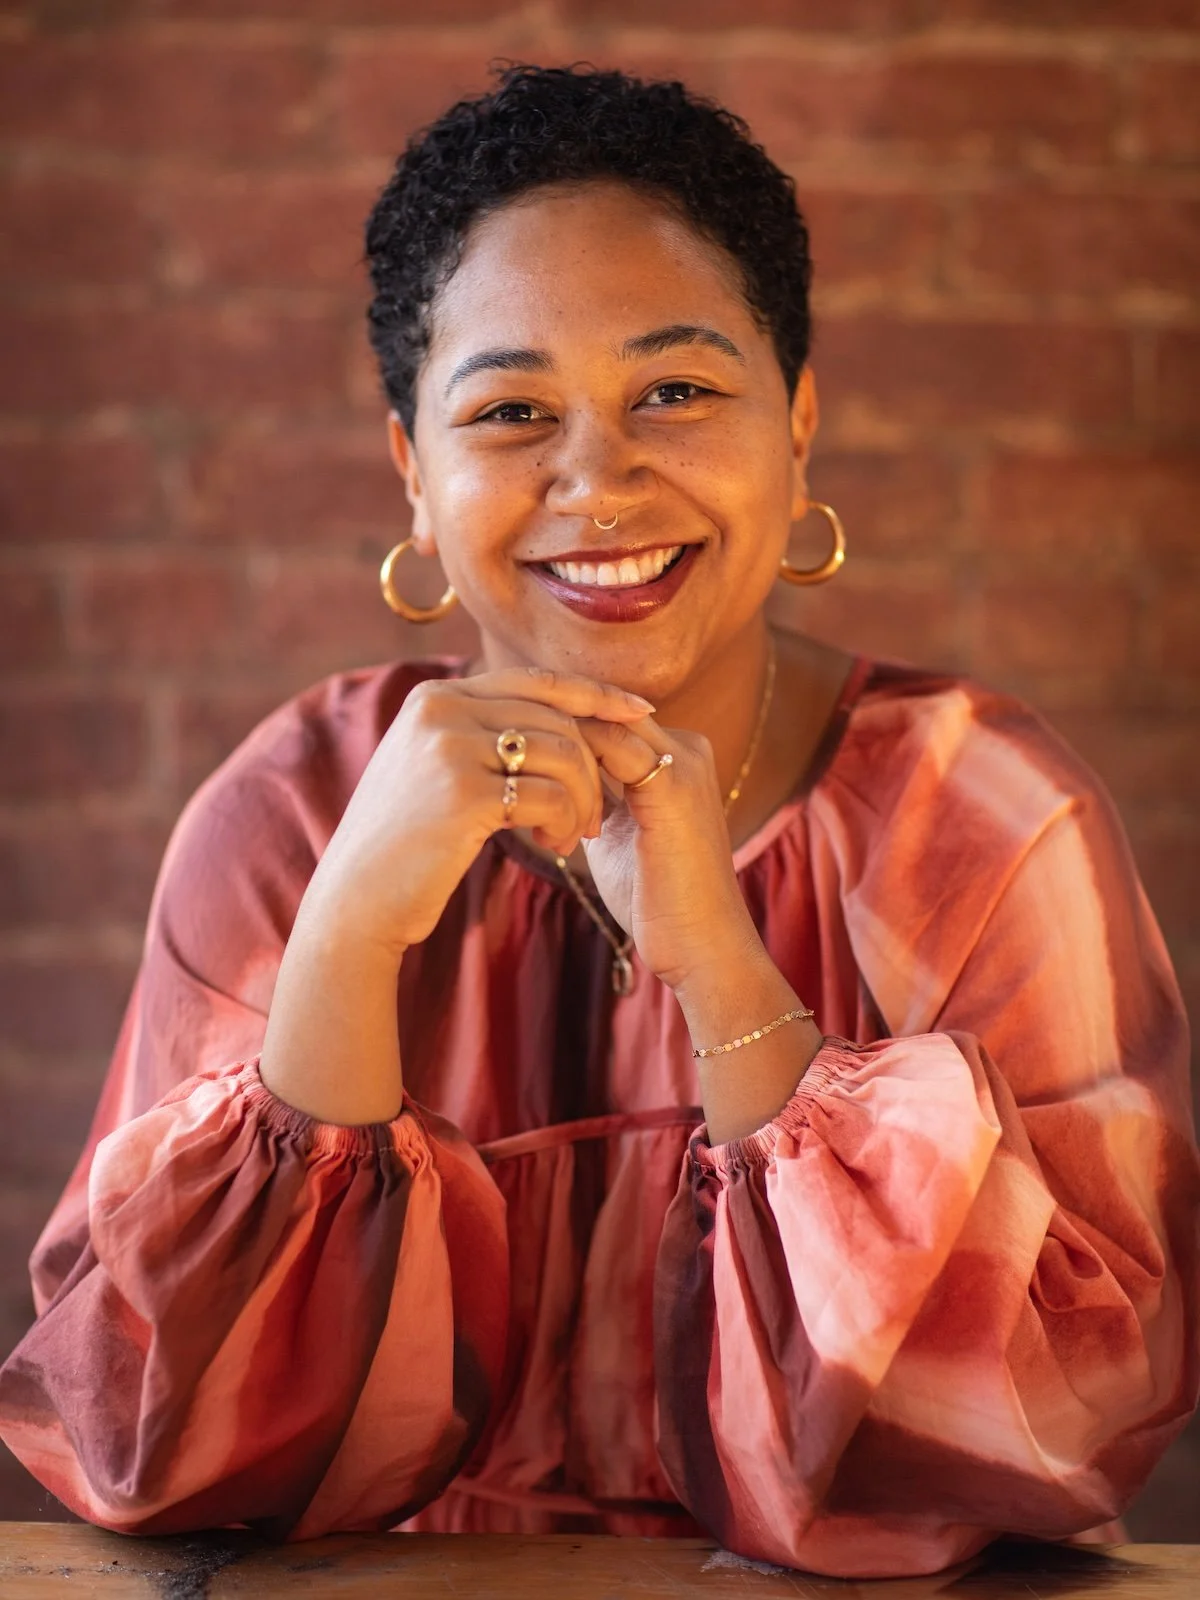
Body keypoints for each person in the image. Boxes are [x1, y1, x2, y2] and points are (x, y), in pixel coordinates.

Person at [1, 64, 1196, 1580]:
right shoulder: (292, 813)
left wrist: (722, 970)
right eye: (511, 411)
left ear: (799, 424)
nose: (599, 480)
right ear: (413, 474)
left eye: (676, 392)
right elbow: (159, 1434)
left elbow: (1074, 1408)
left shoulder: (982, 818)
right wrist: (348, 944)